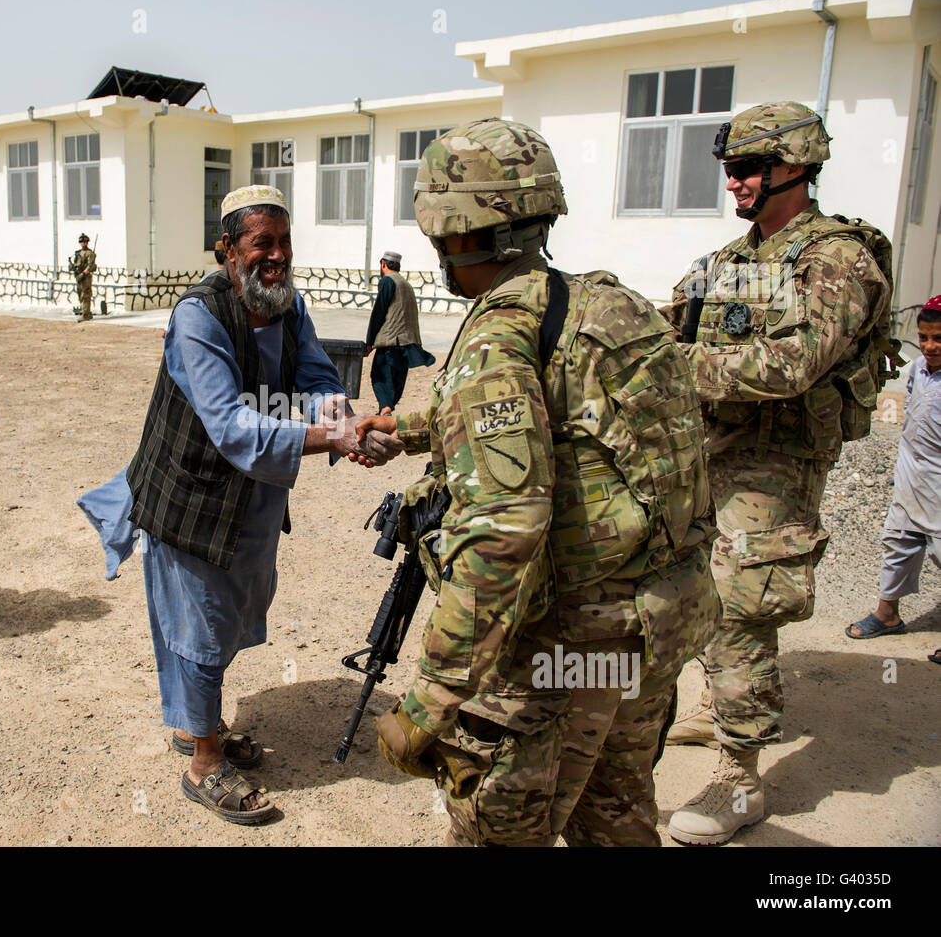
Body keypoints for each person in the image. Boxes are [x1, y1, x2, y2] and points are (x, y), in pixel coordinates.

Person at [359, 120, 718, 846]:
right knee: (617, 818)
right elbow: (568, 413)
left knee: (499, 832)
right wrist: (415, 428)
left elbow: (503, 534)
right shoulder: (604, 303)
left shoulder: (496, 335)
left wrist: (428, 703)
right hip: (652, 631)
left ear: (455, 233)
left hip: (565, 650)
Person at [78, 185, 402, 825]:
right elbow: (228, 427)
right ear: (228, 250)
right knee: (199, 626)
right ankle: (203, 761)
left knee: (232, 617)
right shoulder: (198, 317)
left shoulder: (289, 306)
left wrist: (346, 421)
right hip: (192, 497)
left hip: (253, 500)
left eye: (284, 244)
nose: (277, 257)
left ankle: (196, 723)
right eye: (262, 244)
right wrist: (327, 437)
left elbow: (313, 380)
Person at [663, 102, 895, 844]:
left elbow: (791, 364)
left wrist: (670, 368)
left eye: (746, 169)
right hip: (713, 447)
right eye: (728, 169)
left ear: (794, 164)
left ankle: (741, 774)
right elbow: (672, 322)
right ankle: (716, 702)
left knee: (744, 597)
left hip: (778, 460)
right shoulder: (733, 261)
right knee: (695, 581)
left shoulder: (836, 259)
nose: (733, 183)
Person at [845, 295, 941, 655]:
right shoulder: (917, 369)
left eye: (939, 339)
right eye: (925, 337)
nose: (930, 346)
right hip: (911, 474)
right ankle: (887, 614)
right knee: (898, 543)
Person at [365, 250, 434, 412]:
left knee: (379, 376)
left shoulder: (388, 281)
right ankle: (386, 412)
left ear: (383, 264)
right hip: (408, 342)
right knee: (396, 380)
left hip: (391, 341)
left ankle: (385, 409)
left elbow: (378, 313)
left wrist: (369, 342)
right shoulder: (406, 284)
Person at [70, 233, 97, 320]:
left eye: (85, 242)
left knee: (85, 295)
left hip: (86, 276)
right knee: (80, 294)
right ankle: (87, 312)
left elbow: (90, 265)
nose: (83, 243)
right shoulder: (78, 253)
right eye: (81, 242)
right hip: (79, 276)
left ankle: (85, 315)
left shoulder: (90, 253)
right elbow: (76, 263)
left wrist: (83, 274)